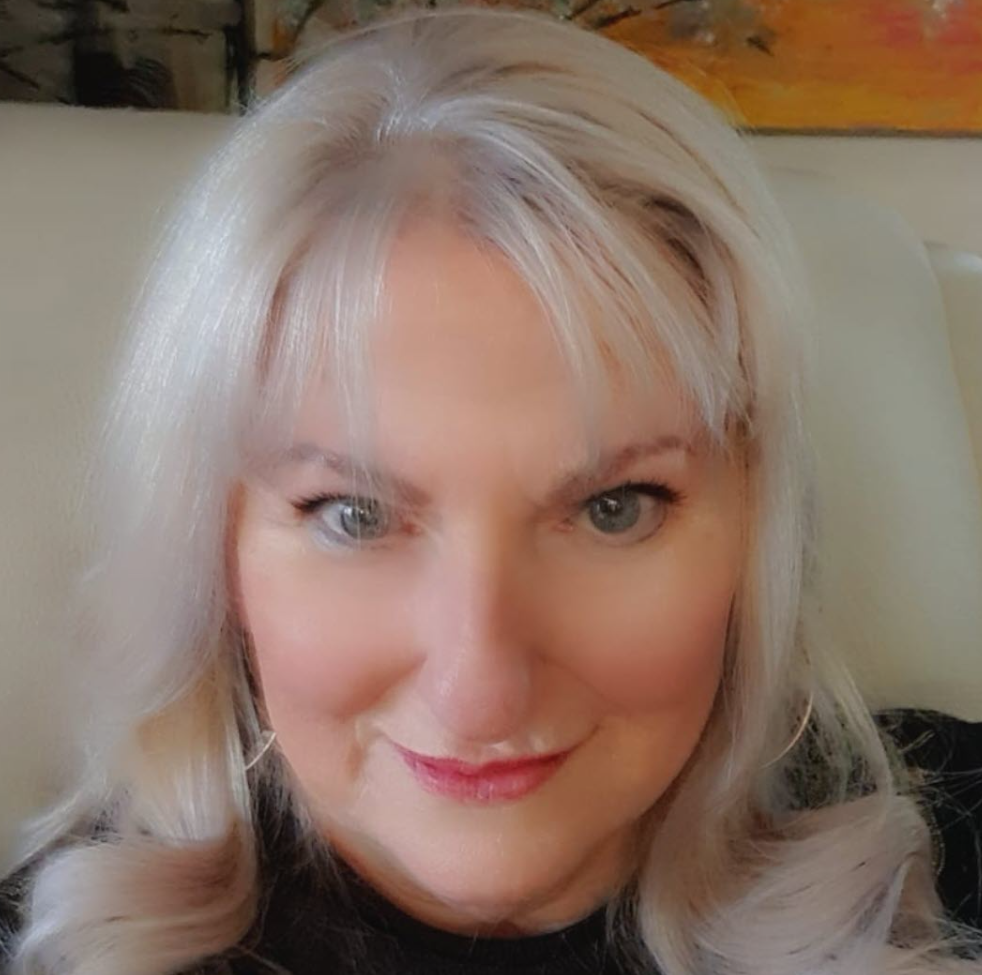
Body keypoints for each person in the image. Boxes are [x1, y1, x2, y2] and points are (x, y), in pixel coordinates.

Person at [1, 6, 980, 974]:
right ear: (216, 548)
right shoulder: (64, 946)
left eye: (614, 509)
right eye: (355, 516)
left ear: (757, 523)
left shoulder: (945, 854)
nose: (479, 694)